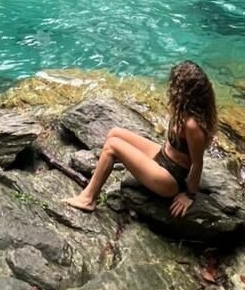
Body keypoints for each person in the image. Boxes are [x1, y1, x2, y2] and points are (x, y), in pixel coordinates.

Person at [64, 61, 217, 217]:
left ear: (185, 92)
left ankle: (88, 199)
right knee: (114, 133)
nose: (171, 88)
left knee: (112, 146)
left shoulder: (193, 125)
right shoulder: (185, 109)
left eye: (176, 86)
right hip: (162, 156)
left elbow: (197, 164)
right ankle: (113, 163)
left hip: (170, 178)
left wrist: (189, 195)